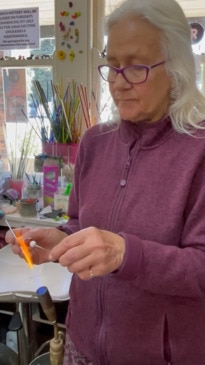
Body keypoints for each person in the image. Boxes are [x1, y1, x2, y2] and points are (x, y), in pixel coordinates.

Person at [5, 0, 205, 364]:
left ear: (176, 67)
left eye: (135, 67)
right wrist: (60, 242)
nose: (118, 82)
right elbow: (81, 224)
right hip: (81, 347)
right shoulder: (95, 142)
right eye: (112, 65)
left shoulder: (198, 151)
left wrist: (126, 254)